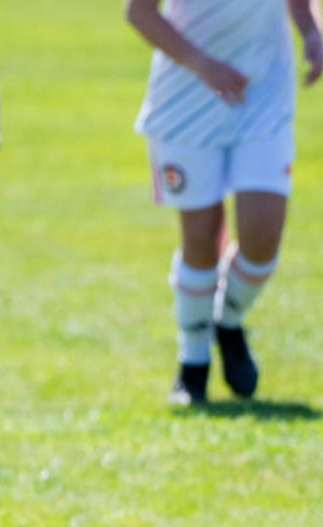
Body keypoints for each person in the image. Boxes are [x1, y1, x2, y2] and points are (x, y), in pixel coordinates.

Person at [129, 0, 323, 407]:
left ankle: (227, 321)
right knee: (200, 239)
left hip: (262, 93)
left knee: (262, 234)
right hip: (187, 97)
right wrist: (203, 65)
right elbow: (140, 13)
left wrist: (310, 31)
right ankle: (192, 365)